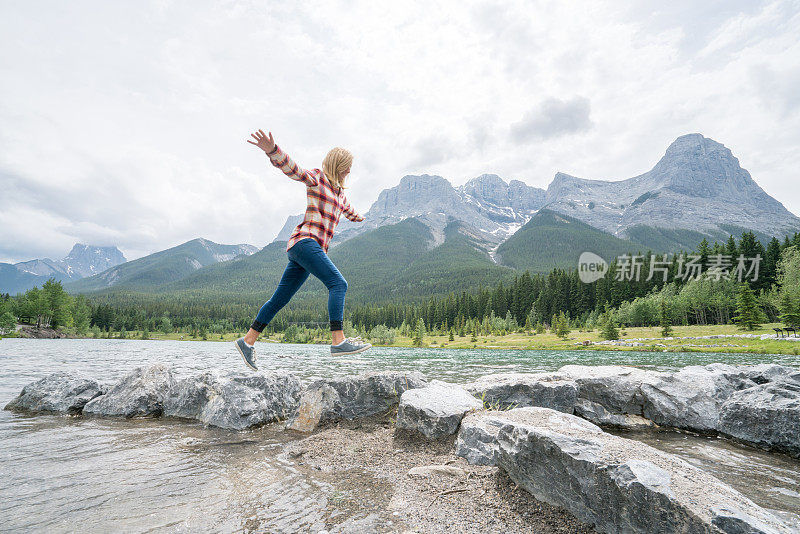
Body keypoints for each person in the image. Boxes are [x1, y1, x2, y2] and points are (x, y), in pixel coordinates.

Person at [234, 129, 372, 371]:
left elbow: (350, 213)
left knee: (280, 299)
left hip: (304, 252)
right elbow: (293, 169)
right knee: (338, 284)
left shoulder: (341, 196)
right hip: (305, 242)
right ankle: (338, 341)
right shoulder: (317, 179)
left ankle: (247, 342)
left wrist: (361, 218)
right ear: (337, 164)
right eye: (346, 166)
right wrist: (272, 151)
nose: (349, 171)